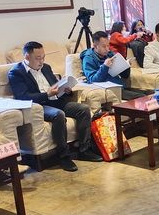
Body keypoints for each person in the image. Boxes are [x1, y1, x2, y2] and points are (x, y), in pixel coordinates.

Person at [8, 41, 102, 172]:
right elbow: (23, 97)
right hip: (38, 106)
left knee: (83, 109)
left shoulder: (46, 67)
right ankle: (63, 156)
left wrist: (66, 90)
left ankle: (84, 150)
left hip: (55, 101)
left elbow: (56, 87)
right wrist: (46, 95)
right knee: (58, 114)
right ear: (27, 57)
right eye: (38, 58)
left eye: (43, 57)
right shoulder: (16, 73)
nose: (41, 61)